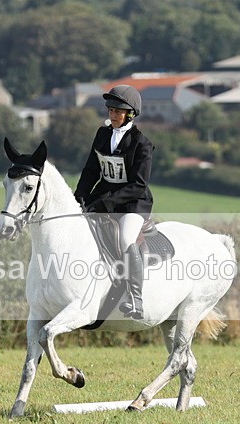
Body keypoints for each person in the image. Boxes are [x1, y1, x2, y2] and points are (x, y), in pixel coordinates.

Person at [74, 84, 154, 320]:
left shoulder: (142, 144)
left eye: (118, 111)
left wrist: (105, 204)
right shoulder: (102, 135)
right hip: (103, 197)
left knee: (126, 238)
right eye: (110, 110)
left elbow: (139, 185)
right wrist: (80, 197)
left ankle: (136, 298)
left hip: (132, 203)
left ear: (131, 114)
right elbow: (91, 170)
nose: (113, 114)